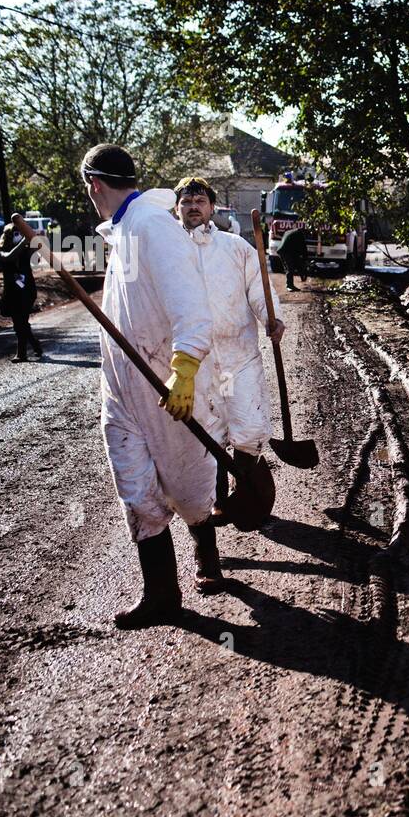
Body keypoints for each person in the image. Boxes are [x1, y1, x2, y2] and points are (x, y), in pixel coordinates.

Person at [80, 143, 220, 629]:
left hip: (164, 385)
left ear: (93, 184)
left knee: (188, 490)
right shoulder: (122, 233)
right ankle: (162, 595)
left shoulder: (152, 225)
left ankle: (208, 551)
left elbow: (192, 306)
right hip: (122, 390)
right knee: (136, 489)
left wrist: (183, 372)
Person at [175, 177, 284, 553]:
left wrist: (271, 318)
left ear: (212, 207)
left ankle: (248, 490)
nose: (193, 205)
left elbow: (260, 288)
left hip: (236, 357)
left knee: (248, 426)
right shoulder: (169, 251)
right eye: (186, 200)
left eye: (199, 199)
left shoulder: (235, 247)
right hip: (198, 362)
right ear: (177, 208)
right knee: (209, 431)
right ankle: (219, 500)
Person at [0, 226, 44, 362]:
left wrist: (34, 242)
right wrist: (24, 241)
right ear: (8, 236)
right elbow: (10, 257)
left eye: (20, 234)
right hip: (12, 292)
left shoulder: (25, 250)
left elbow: (36, 260)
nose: (18, 236)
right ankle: (35, 345)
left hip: (27, 290)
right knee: (20, 322)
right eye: (16, 234)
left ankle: (21, 353)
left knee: (21, 321)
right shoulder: (0, 251)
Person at [275, 223, 308, 291]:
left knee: (294, 264)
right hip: (285, 251)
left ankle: (295, 282)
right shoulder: (300, 234)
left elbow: (296, 248)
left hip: (285, 250)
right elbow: (303, 248)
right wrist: (305, 259)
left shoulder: (290, 232)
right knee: (290, 268)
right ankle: (289, 286)